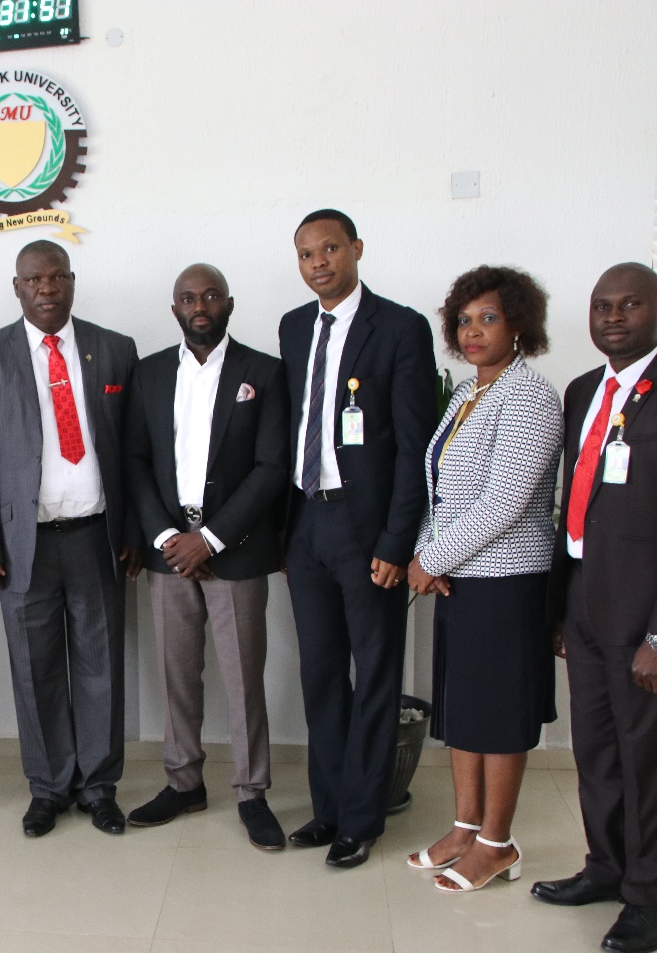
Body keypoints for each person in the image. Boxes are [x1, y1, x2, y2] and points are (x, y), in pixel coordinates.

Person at [531, 264, 657, 953]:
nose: (613, 316)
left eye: (630, 304)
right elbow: (578, 504)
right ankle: (607, 866)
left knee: (648, 757)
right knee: (596, 751)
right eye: (601, 306)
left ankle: (652, 898)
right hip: (586, 602)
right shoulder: (585, 390)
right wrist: (562, 608)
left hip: (648, 616)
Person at [0, 239, 141, 837]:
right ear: (17, 287)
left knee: (100, 665)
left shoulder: (114, 349)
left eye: (56, 277)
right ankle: (49, 787)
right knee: (34, 669)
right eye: (33, 279)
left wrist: (135, 528)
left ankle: (99, 785)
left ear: (71, 281)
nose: (46, 288)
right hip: (21, 545)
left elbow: (134, 452)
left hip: (96, 537)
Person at [278, 209, 437, 869]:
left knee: (373, 674)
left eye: (331, 249)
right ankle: (329, 807)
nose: (320, 263)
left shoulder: (399, 327)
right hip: (308, 522)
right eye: (307, 254)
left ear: (356, 250)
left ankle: (363, 818)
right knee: (319, 674)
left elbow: (413, 445)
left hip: (367, 529)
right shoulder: (293, 327)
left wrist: (397, 541)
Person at [403, 266, 562, 891]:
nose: (473, 331)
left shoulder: (529, 395)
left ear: (519, 325)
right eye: (465, 320)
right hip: (462, 580)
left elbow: (506, 501)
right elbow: (439, 491)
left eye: (488, 318)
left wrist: (431, 560)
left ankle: (498, 843)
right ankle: (465, 828)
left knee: (498, 716)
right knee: (464, 712)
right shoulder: (472, 393)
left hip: (507, 582)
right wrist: (431, 552)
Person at [124, 264, 290, 849]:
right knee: (176, 675)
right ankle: (183, 782)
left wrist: (211, 538)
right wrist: (168, 536)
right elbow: (137, 462)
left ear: (229, 303)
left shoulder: (264, 373)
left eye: (211, 295)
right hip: (170, 550)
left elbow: (272, 467)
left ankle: (251, 792)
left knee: (243, 676)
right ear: (174, 308)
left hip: (235, 549)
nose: (200, 306)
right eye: (189, 298)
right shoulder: (147, 374)